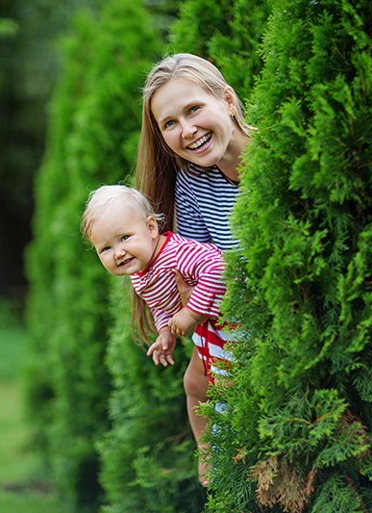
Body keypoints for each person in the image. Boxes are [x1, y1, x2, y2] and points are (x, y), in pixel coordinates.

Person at [135, 53, 254, 484]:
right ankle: (213, 461)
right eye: (169, 123)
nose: (187, 131)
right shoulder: (193, 184)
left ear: (228, 100)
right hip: (231, 312)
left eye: (194, 109)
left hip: (281, 320)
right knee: (198, 379)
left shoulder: (280, 163)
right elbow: (197, 266)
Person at [81, 185, 234, 477]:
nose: (119, 253)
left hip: (230, 322)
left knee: (224, 388)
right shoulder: (141, 272)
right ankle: (206, 450)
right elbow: (161, 303)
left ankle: (229, 454)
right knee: (193, 385)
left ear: (151, 227)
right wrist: (165, 332)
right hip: (208, 328)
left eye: (125, 238)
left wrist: (190, 312)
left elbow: (217, 267)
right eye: (106, 248)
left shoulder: (175, 255)